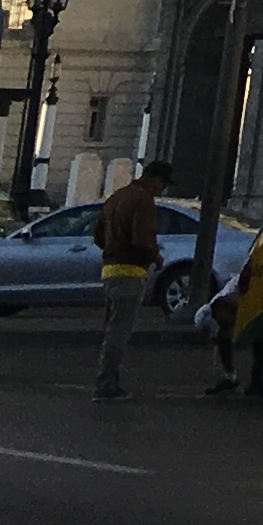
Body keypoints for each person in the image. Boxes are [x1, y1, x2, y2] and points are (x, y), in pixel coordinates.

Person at [92, 158, 173, 402]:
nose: (162, 190)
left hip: (109, 270)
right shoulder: (143, 200)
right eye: (163, 184)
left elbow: (98, 234)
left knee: (111, 330)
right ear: (155, 179)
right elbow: (142, 238)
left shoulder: (116, 196)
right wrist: (155, 256)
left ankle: (108, 382)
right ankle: (106, 386)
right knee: (119, 333)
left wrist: (112, 249)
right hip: (131, 272)